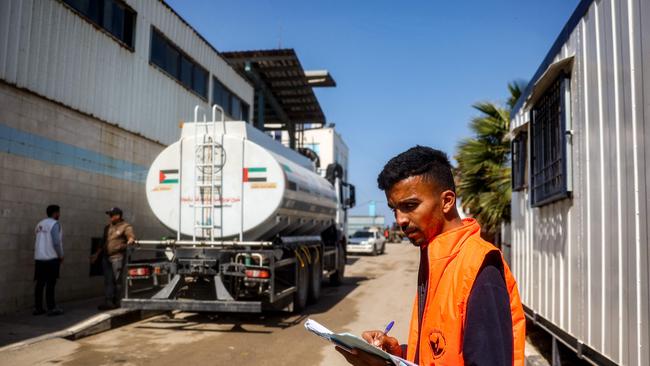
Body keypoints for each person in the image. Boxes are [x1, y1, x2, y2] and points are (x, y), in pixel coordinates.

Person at [336, 146, 525, 366]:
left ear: (447, 201)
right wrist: (396, 355)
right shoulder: (436, 258)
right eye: (394, 209)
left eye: (410, 206)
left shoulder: (480, 268)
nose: (400, 220)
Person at [91, 207, 135, 310]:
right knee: (108, 280)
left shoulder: (126, 226)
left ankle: (117, 301)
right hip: (106, 258)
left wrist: (131, 240)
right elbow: (102, 242)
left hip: (118, 257)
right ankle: (108, 302)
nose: (109, 217)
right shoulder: (107, 227)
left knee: (117, 281)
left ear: (118, 216)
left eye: (111, 215)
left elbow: (130, 236)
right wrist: (96, 254)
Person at [33, 205, 64, 316]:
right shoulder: (54, 224)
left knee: (40, 284)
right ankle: (51, 308)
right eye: (59, 213)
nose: (59, 215)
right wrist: (61, 255)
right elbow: (56, 242)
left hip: (39, 258)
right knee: (51, 284)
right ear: (55, 213)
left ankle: (38, 308)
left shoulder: (39, 224)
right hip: (51, 258)